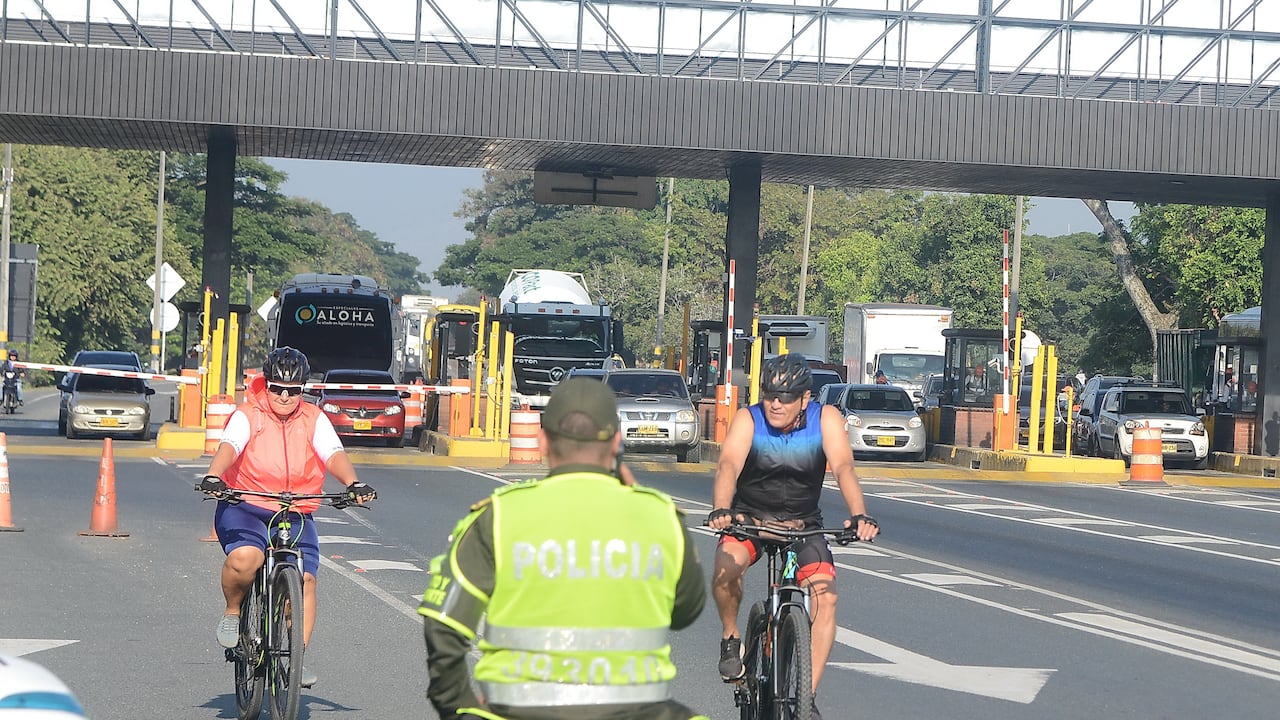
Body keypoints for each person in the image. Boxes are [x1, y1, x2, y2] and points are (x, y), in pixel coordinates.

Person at [419, 377, 707, 720]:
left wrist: (460, 709)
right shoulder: (661, 516)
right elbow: (686, 611)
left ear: (542, 441)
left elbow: (444, 625)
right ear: (617, 442)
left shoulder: (500, 516)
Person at [707, 354, 880, 720]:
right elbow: (728, 465)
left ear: (804, 399)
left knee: (826, 597)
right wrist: (722, 508)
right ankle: (731, 637)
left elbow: (844, 467)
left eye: (785, 397)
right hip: (750, 521)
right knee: (726, 566)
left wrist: (859, 514)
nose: (775, 403)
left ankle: (807, 697)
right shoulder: (748, 419)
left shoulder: (826, 419)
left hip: (803, 525)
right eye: (770, 394)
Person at [198, 346, 375, 690]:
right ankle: (233, 612)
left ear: (302, 390)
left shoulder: (313, 418)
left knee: (306, 580)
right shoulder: (248, 415)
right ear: (266, 385)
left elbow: (332, 453)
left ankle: (295, 660)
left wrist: (353, 483)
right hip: (245, 505)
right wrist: (214, 476)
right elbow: (230, 446)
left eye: (293, 390)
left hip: (295, 509)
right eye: (277, 388)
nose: (284, 396)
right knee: (246, 558)